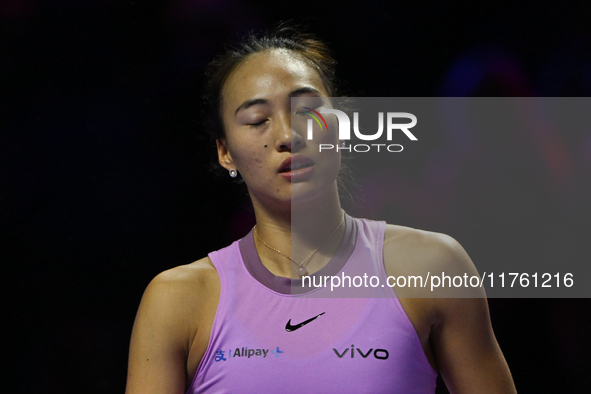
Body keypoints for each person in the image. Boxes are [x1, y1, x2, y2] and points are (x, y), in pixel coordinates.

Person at [125, 25, 517, 393]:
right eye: (258, 120)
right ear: (226, 153)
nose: (288, 135)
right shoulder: (177, 301)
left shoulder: (432, 266)